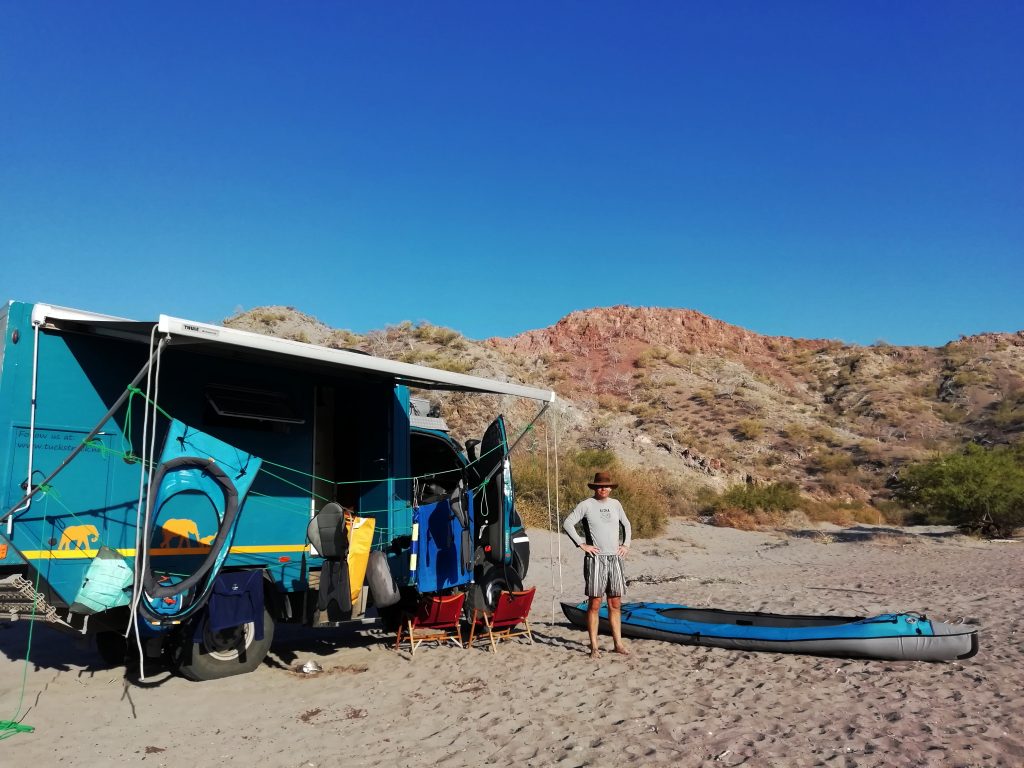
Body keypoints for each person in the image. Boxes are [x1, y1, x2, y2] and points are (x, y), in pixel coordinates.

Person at [562, 471, 632, 658]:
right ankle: (594, 647)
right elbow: (568, 523)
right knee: (594, 603)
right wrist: (581, 544)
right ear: (595, 488)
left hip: (615, 558)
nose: (604, 489)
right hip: (596, 560)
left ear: (611, 488)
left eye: (607, 486)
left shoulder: (616, 504)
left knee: (615, 602)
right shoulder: (586, 505)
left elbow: (627, 524)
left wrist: (626, 544)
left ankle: (618, 643)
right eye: (600, 486)